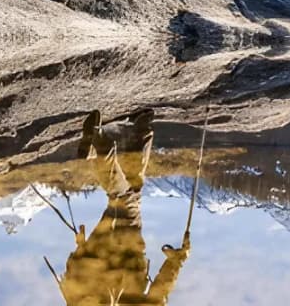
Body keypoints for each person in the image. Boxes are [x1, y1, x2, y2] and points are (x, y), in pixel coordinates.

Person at [55, 110, 190, 305]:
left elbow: (158, 294)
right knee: (132, 193)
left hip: (122, 257)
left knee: (124, 198)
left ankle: (100, 145)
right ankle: (140, 130)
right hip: (99, 257)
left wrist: (176, 261)